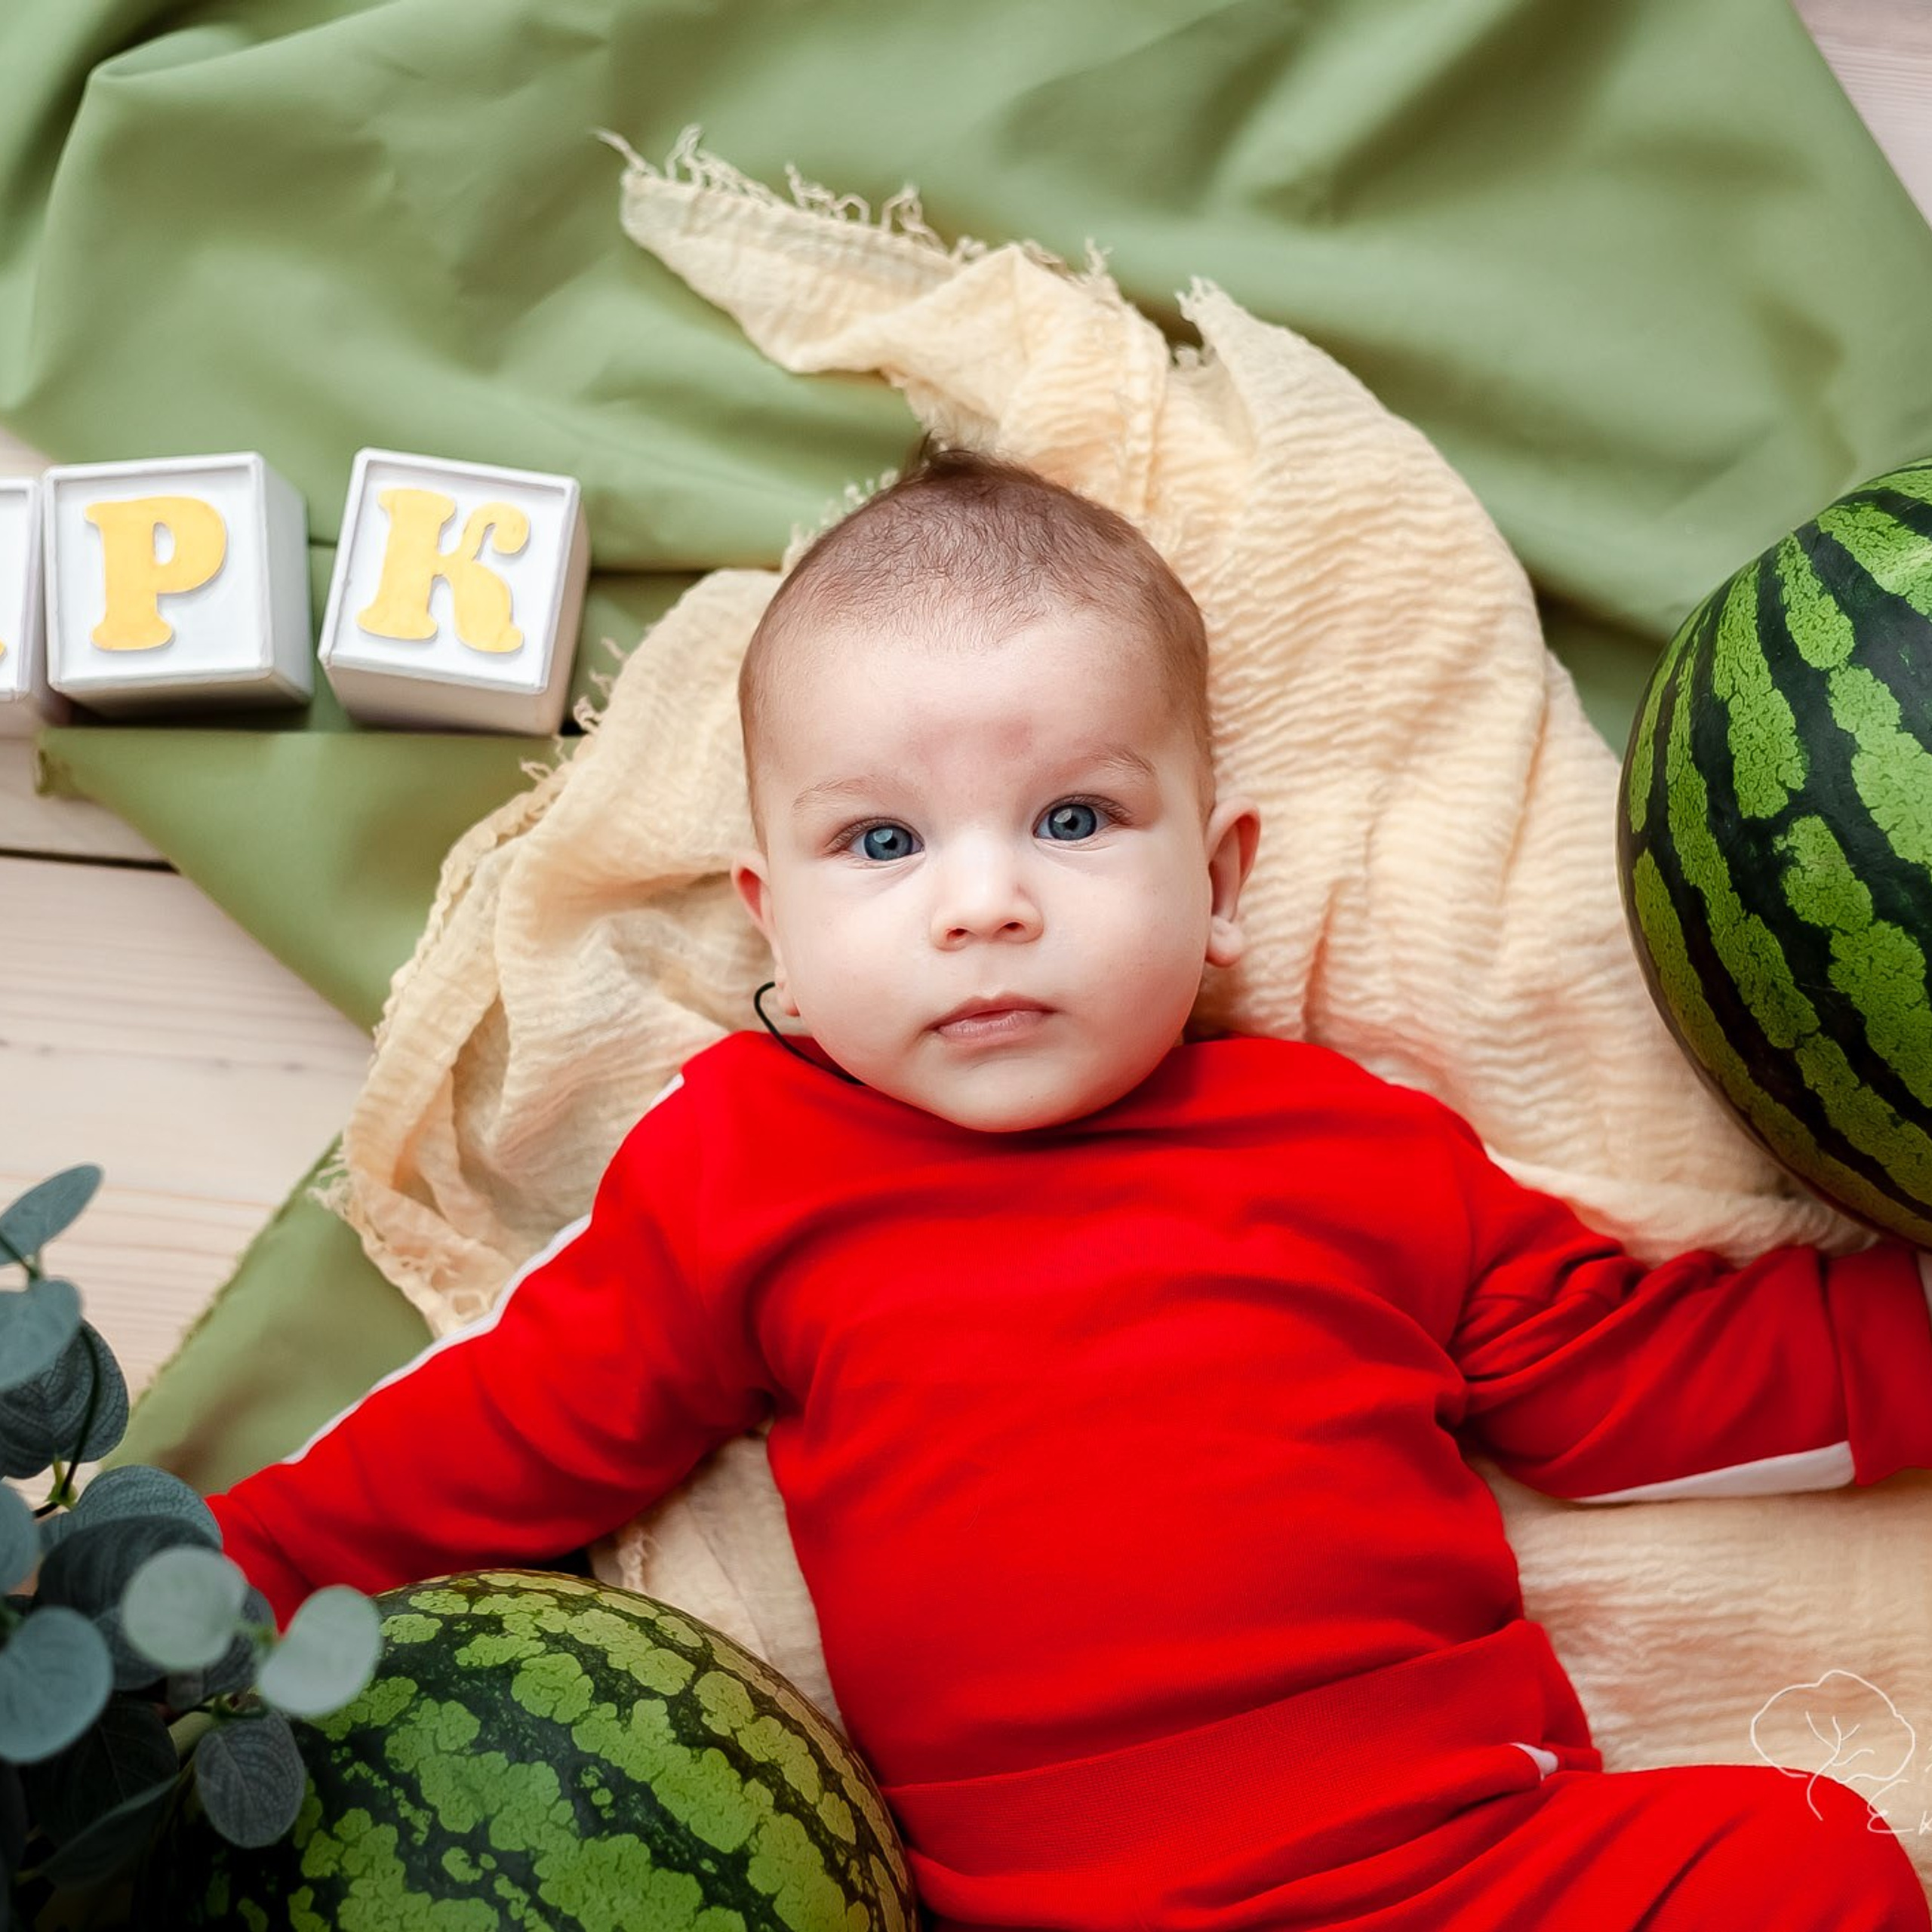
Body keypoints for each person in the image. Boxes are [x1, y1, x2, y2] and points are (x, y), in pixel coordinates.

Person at [205, 445, 1932, 1930]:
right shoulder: (740, 1167)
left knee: (1803, 1856)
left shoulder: (1348, 1141)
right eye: (882, 843)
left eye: (1075, 820)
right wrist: (228, 1576)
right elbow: (517, 1425)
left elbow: (1628, 1381)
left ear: (1220, 877)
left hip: (1466, 1866)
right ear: (775, 930)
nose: (982, 903)